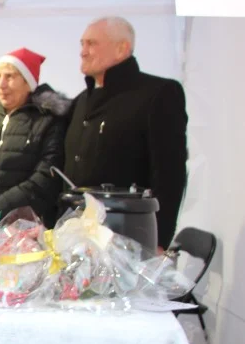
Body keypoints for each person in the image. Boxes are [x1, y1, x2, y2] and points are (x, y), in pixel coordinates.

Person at [64, 16, 188, 248]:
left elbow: (169, 174)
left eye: (92, 43)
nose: (83, 51)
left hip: (127, 236)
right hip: (79, 237)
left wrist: (158, 240)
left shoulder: (158, 94)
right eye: (82, 44)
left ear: (122, 49)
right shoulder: (81, 102)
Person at [0, 48, 68, 224]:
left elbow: (46, 177)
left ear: (29, 83)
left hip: (25, 226)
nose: (1, 84)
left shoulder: (48, 121)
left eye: (10, 77)